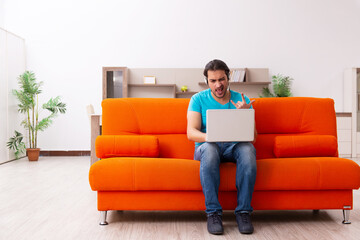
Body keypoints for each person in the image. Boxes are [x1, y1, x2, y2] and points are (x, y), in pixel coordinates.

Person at [187, 59, 257, 235]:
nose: (218, 85)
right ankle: (213, 213)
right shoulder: (198, 99)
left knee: (248, 150)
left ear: (228, 78)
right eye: (213, 81)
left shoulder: (242, 100)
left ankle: (243, 212)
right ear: (207, 82)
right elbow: (191, 132)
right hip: (207, 147)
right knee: (210, 149)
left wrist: (246, 114)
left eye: (221, 79)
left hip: (234, 147)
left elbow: (254, 138)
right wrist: (210, 137)